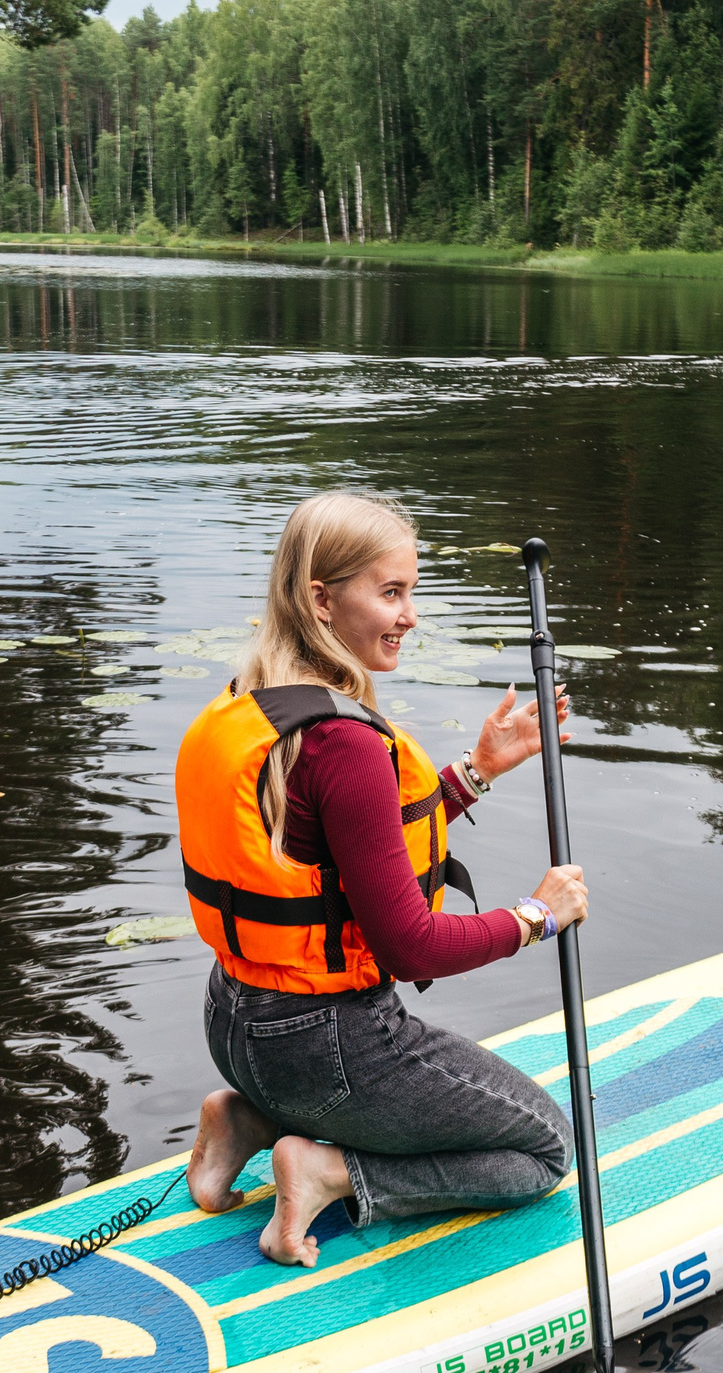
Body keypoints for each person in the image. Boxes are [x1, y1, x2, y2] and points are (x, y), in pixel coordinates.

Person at [180, 490, 587, 1268]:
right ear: (321, 598)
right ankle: (330, 1170)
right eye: (391, 592)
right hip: (323, 1049)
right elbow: (412, 946)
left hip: (234, 1023)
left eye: (412, 592)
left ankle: (249, 1120)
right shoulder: (346, 741)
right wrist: (539, 913)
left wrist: (476, 771)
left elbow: (341, 846)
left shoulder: (254, 702)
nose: (410, 616)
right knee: (543, 1150)